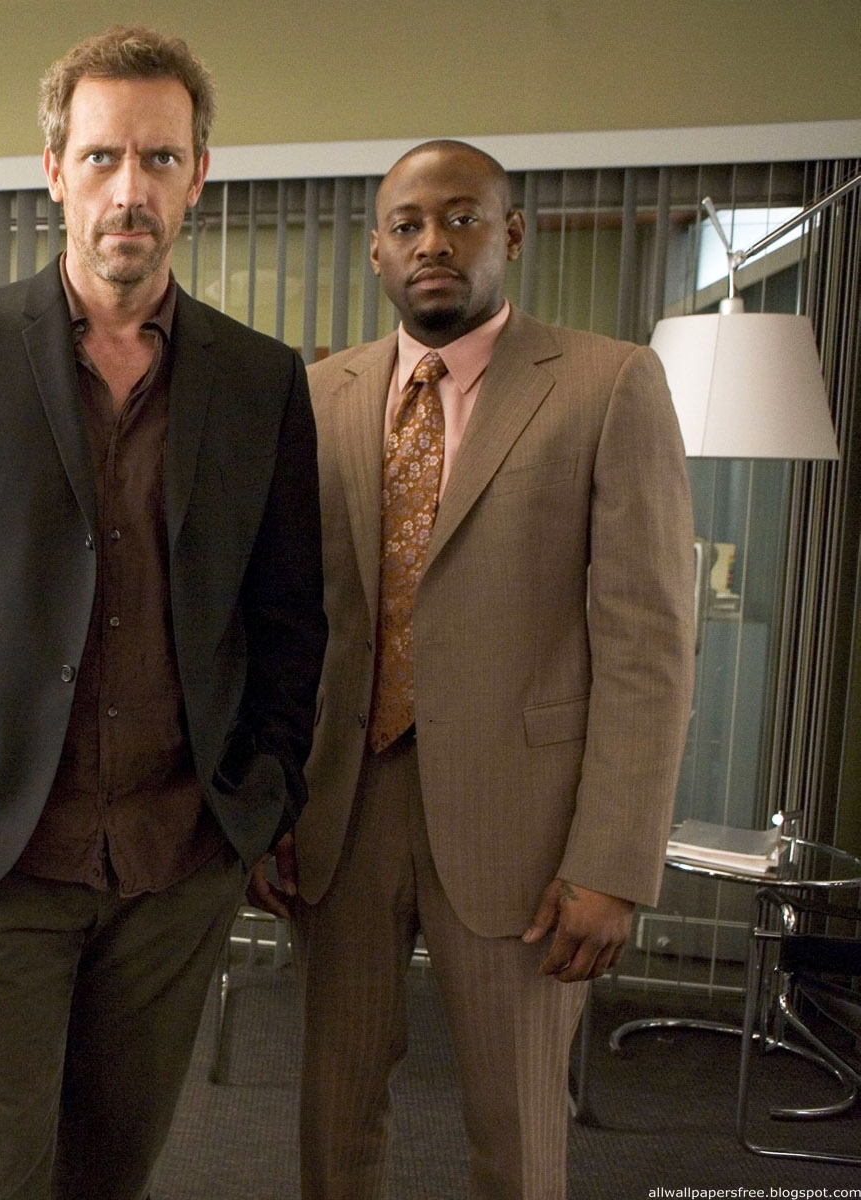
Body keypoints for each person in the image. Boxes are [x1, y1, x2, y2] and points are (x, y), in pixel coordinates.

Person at [0, 27, 326, 1200]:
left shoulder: (262, 380)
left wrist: (261, 801)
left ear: (198, 175)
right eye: (104, 156)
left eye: (160, 159)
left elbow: (287, 616)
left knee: (113, 1170)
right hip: (2, 855)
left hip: (178, 861)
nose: (131, 189)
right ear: (55, 169)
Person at [248, 139, 696, 1199]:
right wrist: (270, 809)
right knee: (334, 1115)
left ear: (512, 235)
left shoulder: (607, 383)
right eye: (407, 225)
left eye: (461, 218)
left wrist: (613, 862)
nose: (433, 243)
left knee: (514, 1126)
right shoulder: (317, 395)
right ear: (376, 251)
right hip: (343, 813)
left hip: (527, 830)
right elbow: (283, 625)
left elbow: (647, 643)